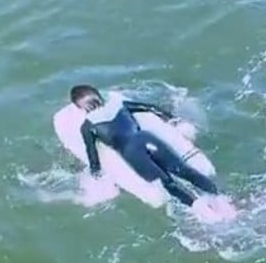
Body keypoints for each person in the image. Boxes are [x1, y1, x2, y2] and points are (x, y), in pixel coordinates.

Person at [70, 84, 221, 210]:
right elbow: (149, 107)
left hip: (131, 152)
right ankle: (220, 197)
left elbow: (92, 153)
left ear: (80, 107)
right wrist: (172, 119)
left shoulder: (88, 126)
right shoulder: (118, 105)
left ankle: (199, 208)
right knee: (183, 170)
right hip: (147, 138)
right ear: (97, 95)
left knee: (167, 183)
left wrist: (96, 175)